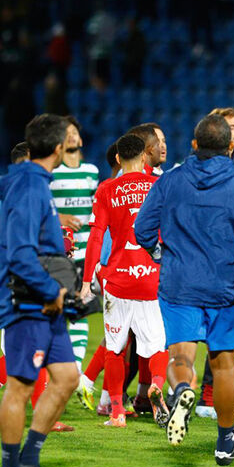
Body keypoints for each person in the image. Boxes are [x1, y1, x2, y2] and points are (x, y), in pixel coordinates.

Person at [135, 113, 234, 466]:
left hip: (179, 282)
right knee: (225, 365)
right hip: (225, 285)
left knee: (180, 354)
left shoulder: (169, 181)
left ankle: (183, 391)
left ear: (194, 145)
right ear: (231, 147)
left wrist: (159, 254)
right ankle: (226, 441)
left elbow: (142, 229)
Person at [0, 142, 74, 436]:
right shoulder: (20, 196)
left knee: (34, 352)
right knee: (20, 357)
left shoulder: (14, 195)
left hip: (16, 284)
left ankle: (43, 415)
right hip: (17, 287)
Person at [0, 114, 78, 467]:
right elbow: (21, 254)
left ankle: (29, 462)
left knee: (67, 379)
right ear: (58, 147)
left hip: (46, 302)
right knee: (20, 387)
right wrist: (51, 289)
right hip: (28, 301)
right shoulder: (29, 185)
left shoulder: (37, 182)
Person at [79, 133, 169, 428]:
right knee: (156, 345)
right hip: (151, 278)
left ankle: (117, 411)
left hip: (117, 279)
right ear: (145, 157)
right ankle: (156, 385)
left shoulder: (107, 189)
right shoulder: (158, 186)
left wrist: (85, 281)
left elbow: (95, 236)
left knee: (115, 347)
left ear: (117, 159)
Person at [50, 117, 97, 373]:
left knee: (80, 309)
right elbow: (41, 208)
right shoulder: (52, 173)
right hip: (58, 254)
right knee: (58, 311)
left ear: (80, 138)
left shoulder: (91, 172)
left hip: (84, 251)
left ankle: (76, 371)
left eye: (74, 132)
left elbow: (96, 210)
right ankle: (54, 368)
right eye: (65, 133)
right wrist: (60, 219)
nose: (70, 136)